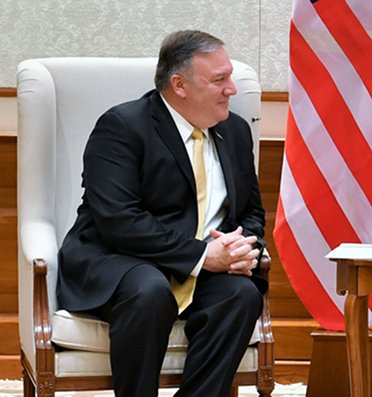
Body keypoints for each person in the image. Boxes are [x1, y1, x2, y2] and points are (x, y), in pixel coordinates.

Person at [57, 30, 268, 397]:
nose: (232, 89)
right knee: (150, 290)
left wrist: (241, 247)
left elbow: (250, 210)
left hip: (202, 265)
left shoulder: (233, 130)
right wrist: (203, 256)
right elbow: (119, 221)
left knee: (241, 295)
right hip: (120, 259)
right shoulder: (123, 127)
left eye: (230, 77)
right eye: (219, 80)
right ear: (179, 85)